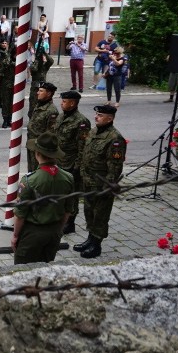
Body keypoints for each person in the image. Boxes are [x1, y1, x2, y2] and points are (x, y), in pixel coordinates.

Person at [11, 133, 75, 264]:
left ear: (37, 154)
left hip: (33, 233)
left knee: (23, 271)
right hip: (54, 231)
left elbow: (20, 214)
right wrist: (58, 230)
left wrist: (15, 235)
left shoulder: (29, 180)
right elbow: (68, 210)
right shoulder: (68, 178)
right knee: (46, 267)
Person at [74, 105, 126, 259]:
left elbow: (115, 167)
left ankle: (96, 244)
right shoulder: (94, 131)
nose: (96, 117)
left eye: (100, 115)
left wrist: (108, 186)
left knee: (100, 215)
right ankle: (90, 238)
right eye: (96, 114)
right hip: (88, 180)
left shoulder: (115, 139)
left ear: (110, 118)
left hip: (101, 184)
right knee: (89, 211)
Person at [53, 90, 90, 234]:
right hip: (58, 161)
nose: (61, 103)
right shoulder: (61, 117)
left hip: (71, 164)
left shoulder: (81, 122)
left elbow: (83, 147)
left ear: (73, 103)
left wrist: (78, 167)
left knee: (71, 195)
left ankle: (70, 222)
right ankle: (60, 217)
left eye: (64, 101)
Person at [26, 82, 59, 172]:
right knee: (31, 170)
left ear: (48, 94)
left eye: (41, 91)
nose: (37, 93)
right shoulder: (40, 105)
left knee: (38, 171)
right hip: (32, 144)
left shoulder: (51, 111)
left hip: (40, 148)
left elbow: (50, 133)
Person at [28, 47, 54, 118]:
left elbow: (51, 61)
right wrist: (37, 59)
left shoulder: (44, 67)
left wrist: (44, 53)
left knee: (42, 106)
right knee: (33, 106)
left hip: (43, 89)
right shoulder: (33, 65)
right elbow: (34, 69)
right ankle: (32, 119)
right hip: (35, 89)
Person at [0, 43, 15, 128]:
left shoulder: (18, 62)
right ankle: (5, 120)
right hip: (6, 85)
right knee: (6, 103)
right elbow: (3, 66)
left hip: (15, 85)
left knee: (12, 104)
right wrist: (9, 60)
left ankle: (10, 119)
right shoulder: (7, 60)